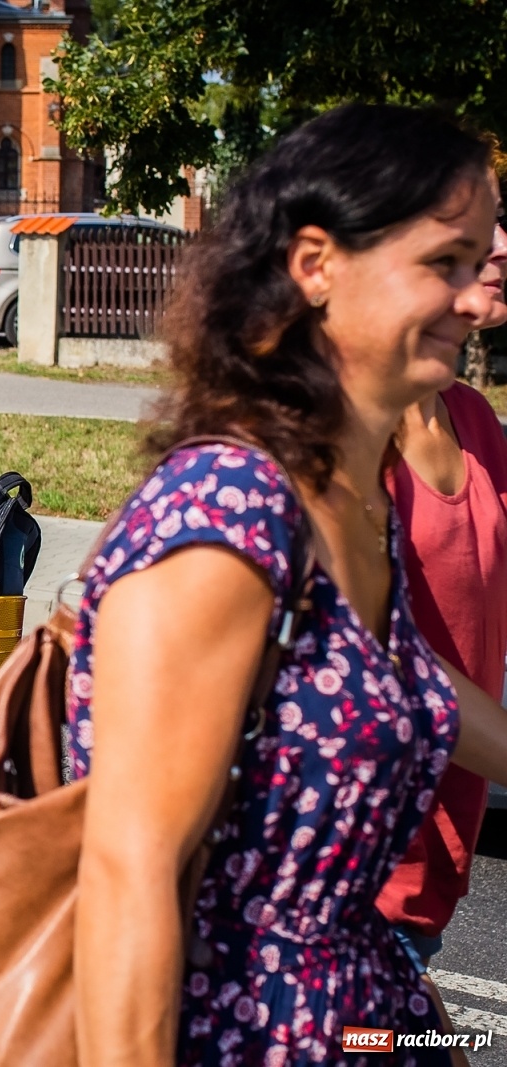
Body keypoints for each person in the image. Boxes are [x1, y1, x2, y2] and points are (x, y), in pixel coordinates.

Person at [68, 104, 507, 1066]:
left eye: (481, 266)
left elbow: (417, 689)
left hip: (365, 1003)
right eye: (447, 264)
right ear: (316, 266)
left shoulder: (350, 502)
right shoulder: (228, 517)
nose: (481, 301)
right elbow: (125, 883)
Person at [376, 220, 507, 1018]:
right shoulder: (338, 435)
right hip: (352, 894)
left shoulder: (471, 416)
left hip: (431, 879)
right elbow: (379, 660)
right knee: (406, 1045)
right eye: (466, 235)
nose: (500, 256)